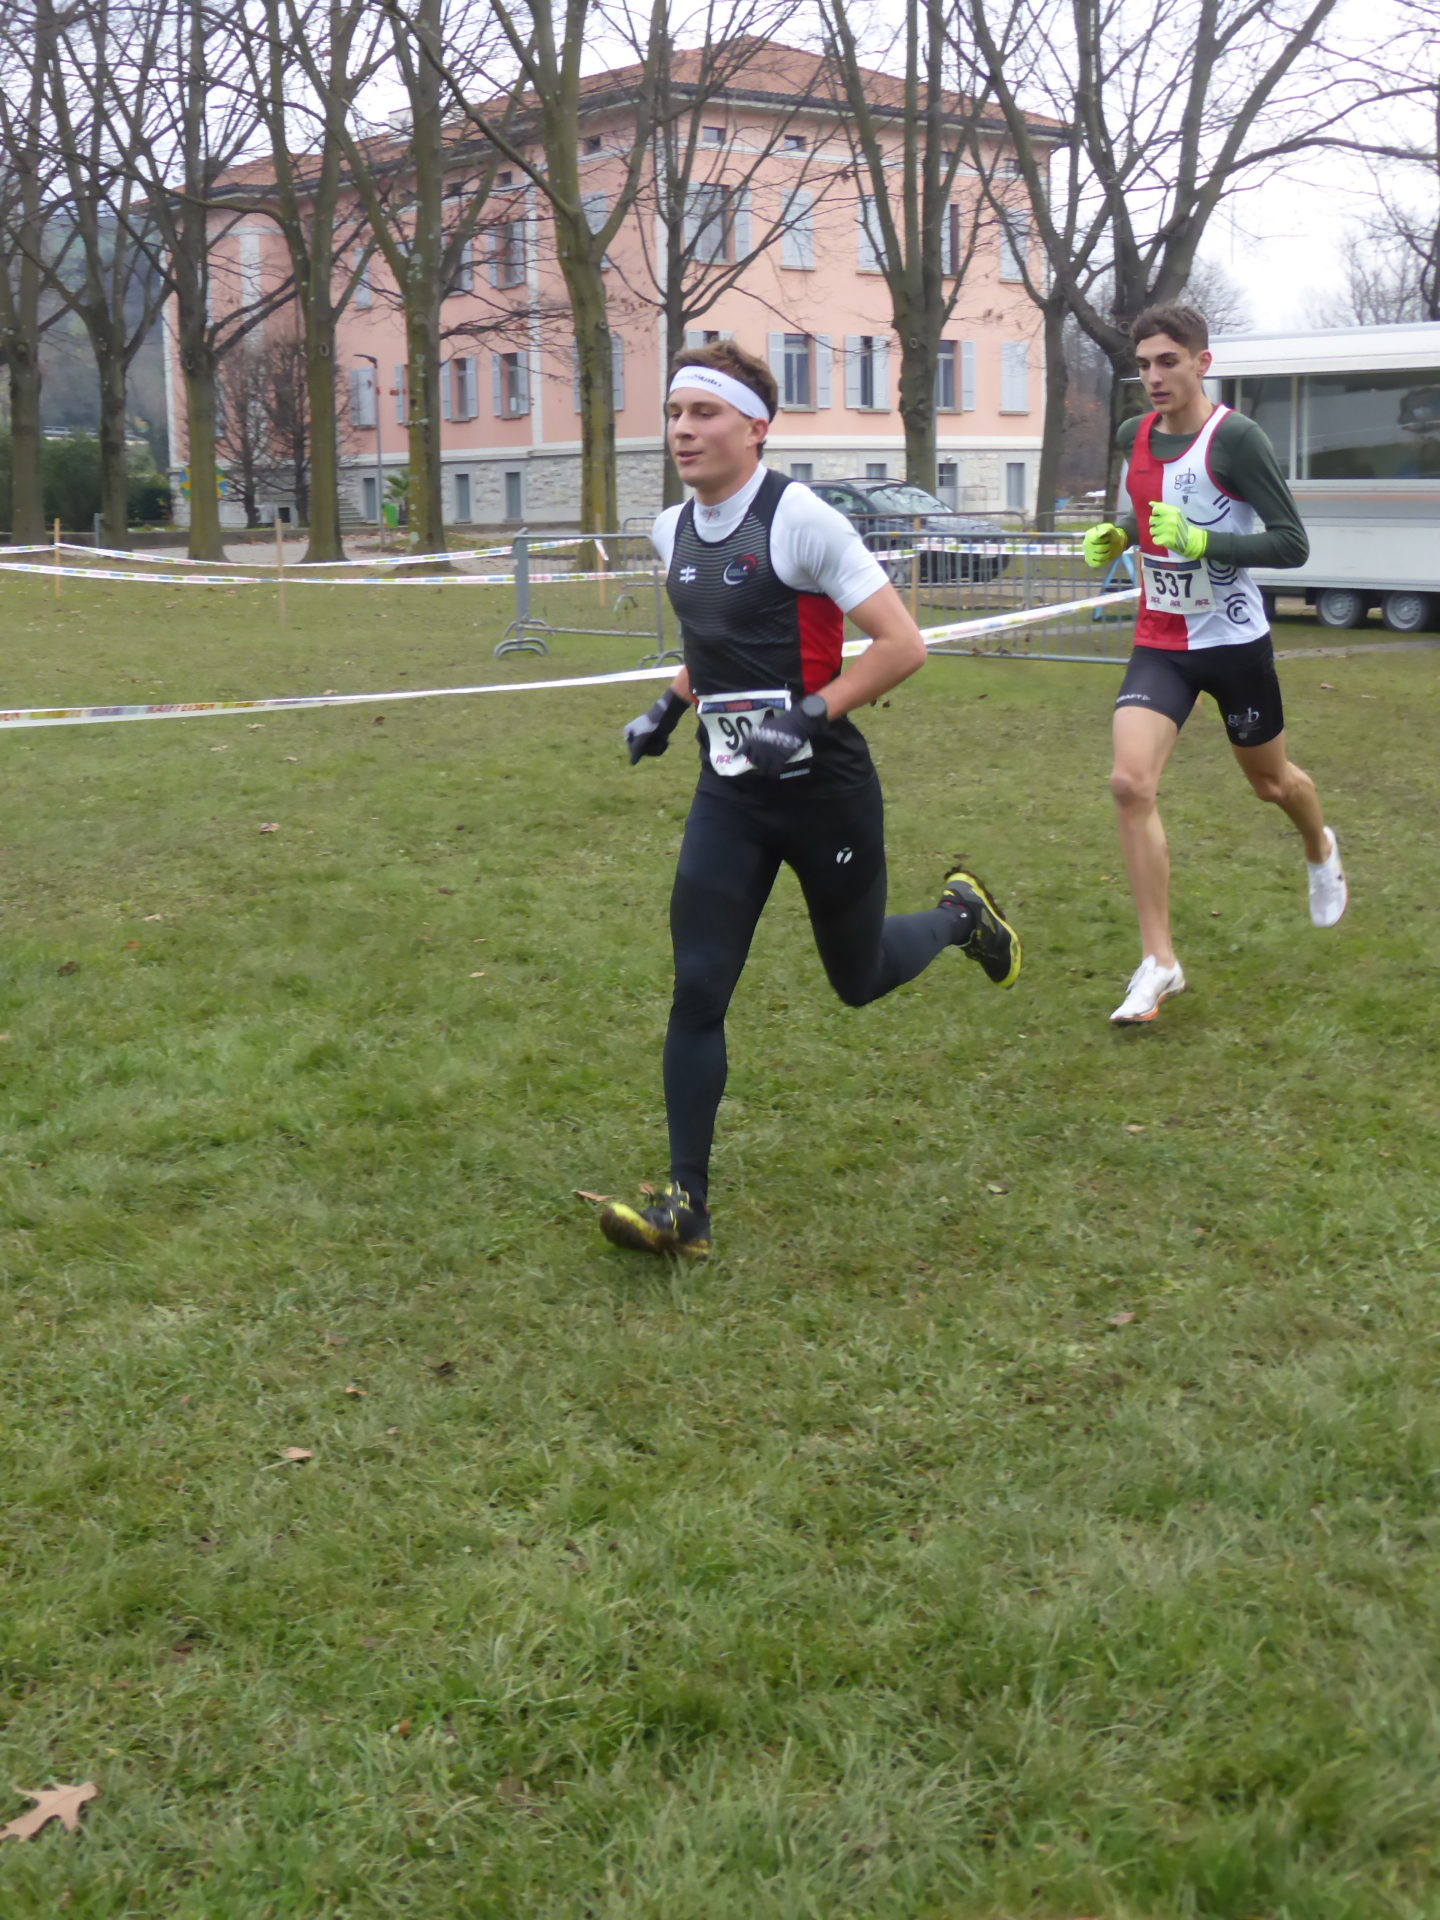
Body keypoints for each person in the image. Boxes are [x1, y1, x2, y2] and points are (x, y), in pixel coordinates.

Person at [597, 341, 1021, 1259]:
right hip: (730, 796)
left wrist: (815, 712)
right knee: (698, 986)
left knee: (857, 978)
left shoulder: (803, 521)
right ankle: (686, 1204)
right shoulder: (672, 530)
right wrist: (668, 709)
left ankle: (960, 917)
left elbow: (903, 644)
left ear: (755, 427)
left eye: (703, 414)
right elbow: (719, 648)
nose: (682, 430)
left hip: (823, 792)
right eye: (674, 413)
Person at [1082, 304, 1347, 1027]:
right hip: (1162, 639)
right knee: (1129, 782)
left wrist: (1205, 543)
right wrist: (1119, 536)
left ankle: (1319, 843)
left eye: (1168, 360)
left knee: (1271, 783)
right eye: (1143, 365)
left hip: (1232, 642)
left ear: (1203, 360)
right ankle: (1159, 962)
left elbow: (1292, 545)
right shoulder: (1135, 436)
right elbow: (1148, 513)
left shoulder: (1237, 440)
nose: (1154, 377)